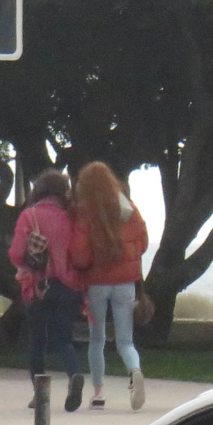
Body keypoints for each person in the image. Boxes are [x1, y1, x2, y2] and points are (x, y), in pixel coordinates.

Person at [70, 161, 150, 411]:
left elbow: (80, 255)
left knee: (97, 338)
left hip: (96, 284)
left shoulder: (85, 212)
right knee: (126, 340)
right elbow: (143, 243)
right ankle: (134, 371)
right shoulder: (129, 208)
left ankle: (99, 393)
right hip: (125, 283)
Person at [9, 168, 86, 412]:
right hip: (69, 285)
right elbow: (80, 253)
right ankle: (74, 373)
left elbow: (16, 253)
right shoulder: (71, 218)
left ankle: (39, 393)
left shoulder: (29, 216)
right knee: (64, 338)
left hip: (38, 287)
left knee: (36, 341)